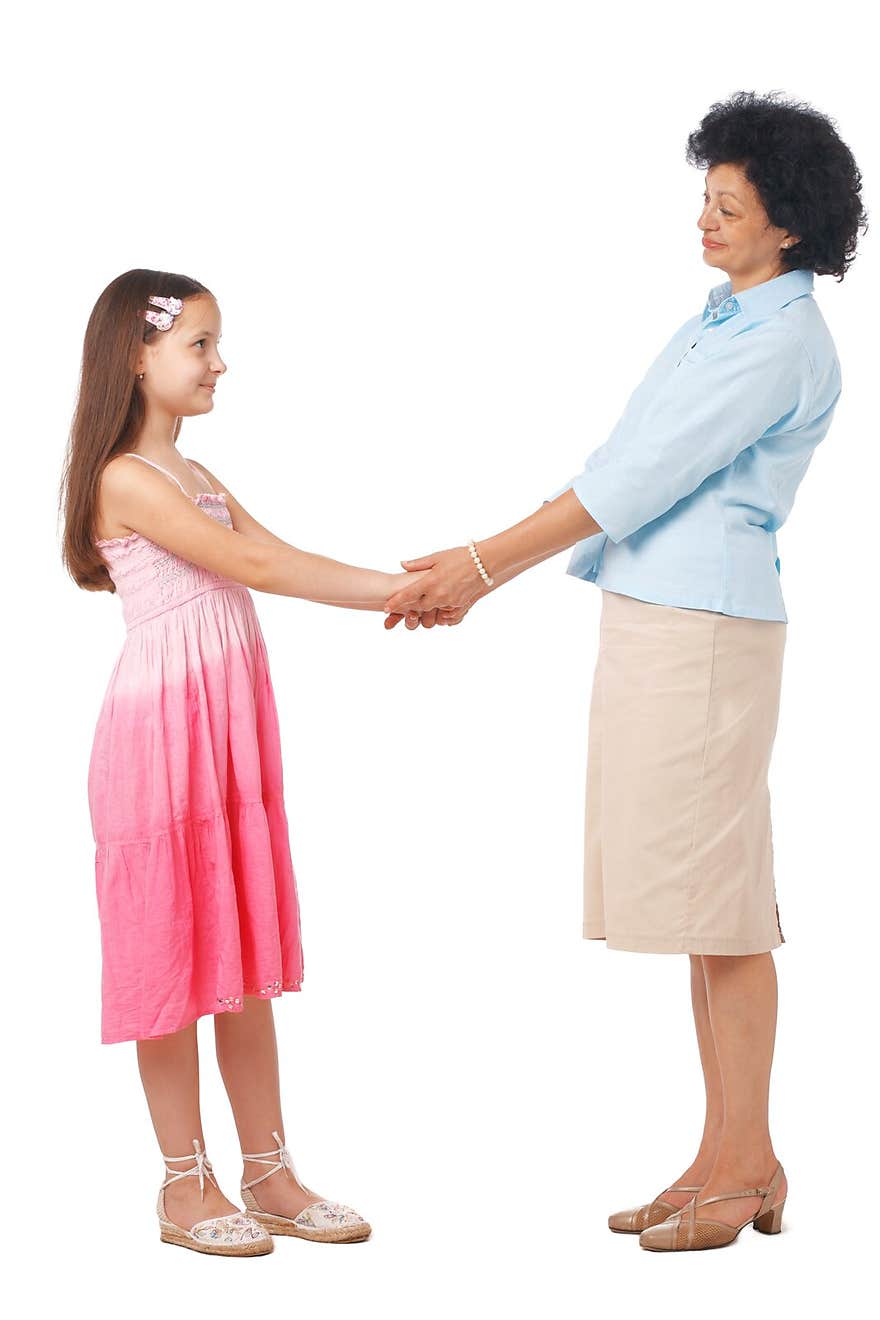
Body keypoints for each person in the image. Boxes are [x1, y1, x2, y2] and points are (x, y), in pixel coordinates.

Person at [383, 90, 867, 1252]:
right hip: (663, 616)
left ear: (788, 225)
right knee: (706, 907)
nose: (704, 219)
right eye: (702, 198)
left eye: (729, 205)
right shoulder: (725, 315)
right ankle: (723, 1152)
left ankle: (745, 1160)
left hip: (701, 629)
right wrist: (488, 563)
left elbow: (637, 479)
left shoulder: (780, 339)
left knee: (726, 905)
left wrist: (480, 564)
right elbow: (621, 458)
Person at [61, 272, 443, 1255]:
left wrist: (400, 586)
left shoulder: (193, 472)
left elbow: (278, 549)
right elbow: (262, 571)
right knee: (170, 957)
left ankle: (268, 1170)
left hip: (222, 732)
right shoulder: (126, 477)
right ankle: (183, 1185)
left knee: (239, 959)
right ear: (135, 356)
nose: (219, 361)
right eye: (199, 342)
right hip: (162, 737)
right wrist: (400, 594)